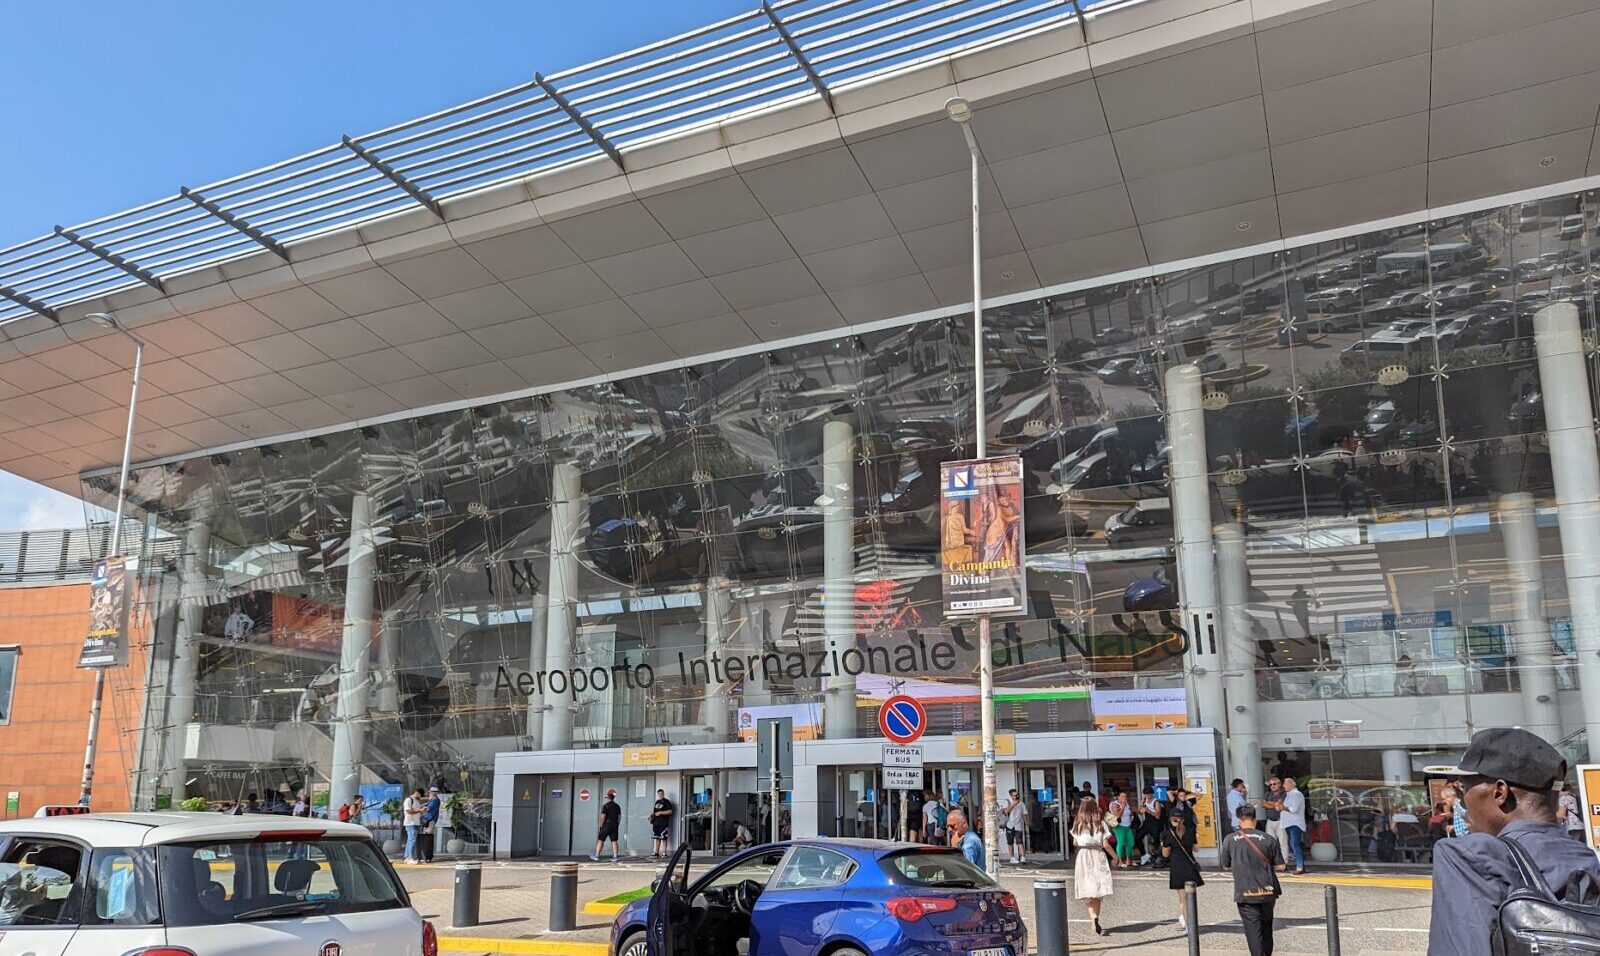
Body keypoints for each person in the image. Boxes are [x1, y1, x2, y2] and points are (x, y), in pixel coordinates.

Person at [1427, 728, 1600, 956]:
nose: (1462, 806)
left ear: (1500, 792)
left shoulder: (1470, 856)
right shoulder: (1587, 858)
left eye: (1463, 790)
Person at [1219, 805, 1285, 956]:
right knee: (1267, 927)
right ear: (1255, 819)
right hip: (1267, 890)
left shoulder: (1230, 839)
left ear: (1239, 819)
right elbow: (1281, 865)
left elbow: (1225, 865)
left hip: (1245, 890)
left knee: (1253, 930)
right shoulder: (1268, 839)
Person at [1069, 795, 1118, 937]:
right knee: (1098, 889)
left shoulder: (1077, 824)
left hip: (1083, 855)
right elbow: (1105, 844)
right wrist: (1115, 857)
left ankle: (1093, 918)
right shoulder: (1100, 823)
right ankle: (1096, 917)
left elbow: (1075, 843)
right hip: (1097, 854)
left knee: (1088, 889)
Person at [1162, 810, 1204, 931]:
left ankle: (1186, 923)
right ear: (1183, 820)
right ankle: (1186, 920)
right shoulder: (1190, 832)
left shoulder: (1167, 834)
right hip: (1189, 867)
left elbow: (1165, 854)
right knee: (1190, 897)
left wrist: (1166, 847)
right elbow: (1196, 849)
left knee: (1183, 898)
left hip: (1177, 867)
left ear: (1171, 820)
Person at [1279, 776, 1307, 874]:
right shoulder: (1289, 795)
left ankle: (1300, 866)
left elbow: (1293, 809)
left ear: (1292, 784)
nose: (1284, 785)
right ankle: (1299, 865)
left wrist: (1283, 807)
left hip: (1295, 823)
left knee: (1295, 844)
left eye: (1285, 783)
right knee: (1293, 844)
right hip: (1288, 823)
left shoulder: (1297, 794)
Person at [592, 789, 622, 862]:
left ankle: (597, 856)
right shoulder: (617, 806)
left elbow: (602, 816)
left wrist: (601, 825)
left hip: (606, 824)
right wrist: (617, 824)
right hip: (614, 825)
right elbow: (619, 817)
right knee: (614, 841)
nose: (605, 799)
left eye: (605, 798)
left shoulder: (605, 806)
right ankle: (615, 856)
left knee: (601, 840)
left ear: (608, 798)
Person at [1262, 777, 1287, 863]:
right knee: (1270, 842)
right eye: (1271, 784)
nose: (1272, 786)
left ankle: (1284, 862)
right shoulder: (1267, 794)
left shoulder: (1284, 794)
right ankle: (1273, 862)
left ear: (1279, 784)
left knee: (1283, 842)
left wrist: (1269, 803)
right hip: (1270, 821)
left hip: (1280, 821)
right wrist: (1274, 805)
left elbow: (1280, 804)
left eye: (1274, 784)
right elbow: (1263, 804)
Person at [1002, 788, 1029, 864]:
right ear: (1011, 796)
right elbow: (1006, 811)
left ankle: (1023, 857)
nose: (1017, 796)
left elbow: (1024, 814)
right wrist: (1013, 804)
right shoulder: (1007, 802)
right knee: (1010, 842)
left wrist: (1027, 824)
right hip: (1009, 824)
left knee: (1019, 841)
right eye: (1015, 795)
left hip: (1018, 825)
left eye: (1018, 795)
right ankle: (1012, 857)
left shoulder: (1021, 803)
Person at [1108, 789, 1135, 866]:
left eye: (1125, 796)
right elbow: (1118, 815)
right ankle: (1120, 860)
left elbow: (1130, 812)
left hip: (1128, 825)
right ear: (1118, 797)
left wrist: (1131, 816)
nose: (1124, 798)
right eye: (1122, 796)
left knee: (1131, 843)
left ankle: (1128, 859)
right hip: (1119, 826)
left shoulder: (1127, 803)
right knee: (1121, 843)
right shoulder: (1115, 804)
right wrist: (1122, 806)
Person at [650, 789, 674, 858]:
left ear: (663, 794)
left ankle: (664, 853)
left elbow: (670, 812)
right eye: (659, 794)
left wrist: (661, 813)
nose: (660, 795)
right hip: (656, 823)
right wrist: (651, 815)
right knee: (656, 837)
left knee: (664, 838)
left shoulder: (667, 802)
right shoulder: (657, 802)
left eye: (661, 794)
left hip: (663, 823)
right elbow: (655, 811)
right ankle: (656, 852)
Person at [419, 786, 441, 863]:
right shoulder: (431, 800)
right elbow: (425, 805)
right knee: (426, 836)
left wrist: (419, 810)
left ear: (434, 793)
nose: (429, 793)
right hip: (427, 820)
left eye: (430, 792)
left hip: (430, 820)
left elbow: (427, 808)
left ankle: (428, 856)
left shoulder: (435, 800)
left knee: (428, 837)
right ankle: (426, 855)